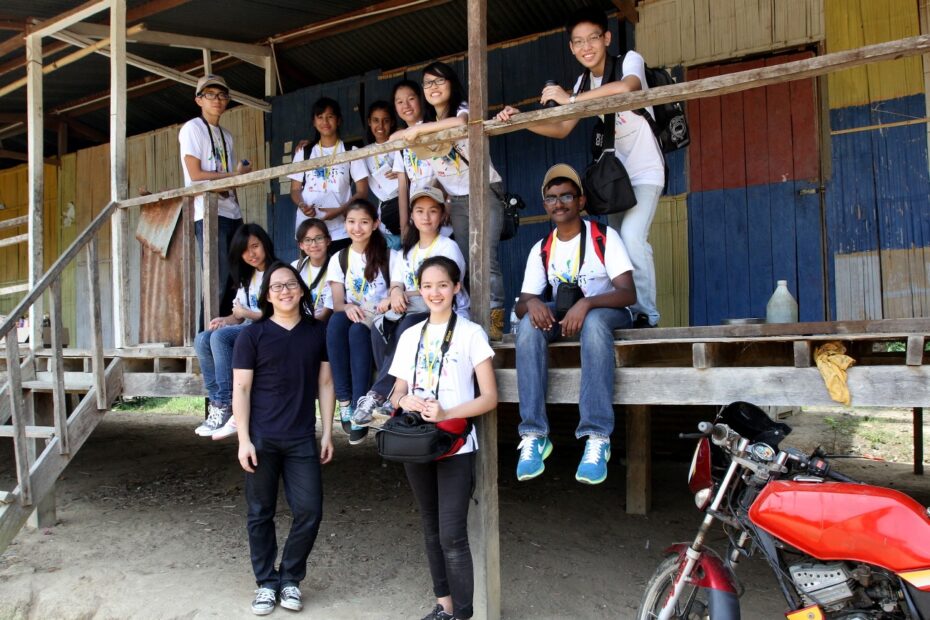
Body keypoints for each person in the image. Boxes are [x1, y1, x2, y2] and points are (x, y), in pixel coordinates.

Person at [495, 6, 664, 328]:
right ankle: (628, 312)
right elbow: (561, 128)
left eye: (593, 39)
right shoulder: (583, 81)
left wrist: (569, 99)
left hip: (645, 170)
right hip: (616, 177)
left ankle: (647, 315)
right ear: (572, 48)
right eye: (578, 42)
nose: (586, 47)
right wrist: (519, 122)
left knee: (631, 237)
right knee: (619, 242)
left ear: (607, 38)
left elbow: (627, 88)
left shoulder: (629, 60)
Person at [387, 255, 497, 620]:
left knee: (452, 535)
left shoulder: (471, 334)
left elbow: (489, 397)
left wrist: (447, 412)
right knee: (431, 528)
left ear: (456, 288)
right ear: (419, 290)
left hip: (456, 443)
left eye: (443, 285)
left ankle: (462, 614)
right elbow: (394, 392)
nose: (435, 292)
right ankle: (444, 607)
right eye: (428, 286)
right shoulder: (409, 335)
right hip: (416, 442)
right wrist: (405, 399)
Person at [513, 164, 636, 485]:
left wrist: (589, 302)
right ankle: (534, 434)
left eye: (566, 195)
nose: (559, 203)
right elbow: (522, 302)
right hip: (567, 315)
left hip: (608, 313)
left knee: (594, 322)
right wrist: (534, 303)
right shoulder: (542, 248)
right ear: (545, 205)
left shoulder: (603, 236)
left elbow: (627, 293)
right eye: (551, 198)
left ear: (581, 201)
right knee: (527, 324)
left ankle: (597, 435)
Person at [231, 261, 334, 616]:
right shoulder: (251, 336)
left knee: (310, 511)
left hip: (302, 438)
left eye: (291, 285)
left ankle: (289, 578)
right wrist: (243, 439)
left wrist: (327, 431)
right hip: (262, 438)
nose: (285, 291)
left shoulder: (316, 333)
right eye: (276, 287)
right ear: (267, 295)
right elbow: (241, 388)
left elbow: (325, 383)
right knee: (260, 512)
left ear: (301, 290)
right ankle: (265, 583)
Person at [392, 62, 506, 339]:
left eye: (438, 81)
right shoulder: (426, 126)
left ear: (451, 84)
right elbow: (397, 140)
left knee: (486, 258)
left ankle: (495, 324)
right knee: (468, 259)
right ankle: (477, 319)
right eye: (427, 84)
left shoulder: (462, 107)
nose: (433, 88)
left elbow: (459, 124)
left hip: (484, 190)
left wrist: (418, 131)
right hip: (456, 200)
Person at [353, 186, 470, 426]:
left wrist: (401, 293)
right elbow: (396, 282)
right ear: (412, 217)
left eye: (432, 211)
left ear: (442, 215)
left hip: (442, 311)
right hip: (411, 309)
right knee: (378, 327)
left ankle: (379, 394)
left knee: (406, 327)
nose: (426, 217)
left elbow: (442, 287)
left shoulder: (447, 247)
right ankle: (392, 391)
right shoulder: (409, 251)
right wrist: (395, 292)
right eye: (419, 211)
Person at [178, 74, 253, 322]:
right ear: (198, 100)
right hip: (207, 213)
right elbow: (195, 174)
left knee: (237, 278)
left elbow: (228, 181)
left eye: (222, 95)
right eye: (210, 94)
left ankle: (226, 330)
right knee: (216, 279)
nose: (217, 100)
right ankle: (205, 338)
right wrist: (234, 175)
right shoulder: (192, 128)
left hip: (231, 211)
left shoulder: (226, 136)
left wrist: (238, 210)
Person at [326, 199, 398, 445]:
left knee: (357, 332)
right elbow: (337, 303)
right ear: (345, 224)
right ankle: (344, 402)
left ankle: (359, 408)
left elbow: (397, 289)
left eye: (364, 222)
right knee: (336, 324)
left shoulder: (388, 253)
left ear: (375, 223)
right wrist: (347, 307)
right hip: (354, 313)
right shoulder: (340, 257)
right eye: (351, 222)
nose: (357, 228)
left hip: (381, 316)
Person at [194, 223, 275, 439]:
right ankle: (217, 404)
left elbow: (279, 314)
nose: (251, 254)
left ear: (264, 244)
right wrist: (224, 319)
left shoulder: (277, 272)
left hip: (270, 329)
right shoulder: (247, 278)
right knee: (202, 339)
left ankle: (228, 401)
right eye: (245, 251)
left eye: (255, 246)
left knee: (220, 338)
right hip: (249, 327)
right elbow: (237, 315)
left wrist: (245, 314)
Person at [288, 97, 369, 254]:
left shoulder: (350, 151)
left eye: (330, 116)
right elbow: (295, 190)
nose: (325, 121)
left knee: (341, 274)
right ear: (314, 121)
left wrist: (339, 211)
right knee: (313, 276)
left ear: (338, 120)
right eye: (320, 117)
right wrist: (302, 206)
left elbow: (362, 191)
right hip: (310, 230)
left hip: (340, 230)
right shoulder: (304, 152)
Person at [391, 79, 438, 237]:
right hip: (418, 216)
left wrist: (449, 205)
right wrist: (404, 226)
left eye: (411, 99)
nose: (406, 105)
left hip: (439, 211)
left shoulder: (434, 128)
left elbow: (449, 170)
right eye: (399, 101)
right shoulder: (401, 141)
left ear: (421, 99)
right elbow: (403, 186)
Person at [361, 100, 402, 235]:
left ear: (392, 122)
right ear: (369, 122)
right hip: (386, 209)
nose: (380, 125)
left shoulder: (401, 144)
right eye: (376, 120)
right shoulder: (363, 152)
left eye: (385, 120)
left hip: (407, 201)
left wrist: (403, 173)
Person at [291, 218, 333, 323]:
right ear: (301, 245)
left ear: (328, 240)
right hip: (297, 323)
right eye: (308, 240)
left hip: (322, 325)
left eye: (319, 238)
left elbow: (325, 315)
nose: (314, 245)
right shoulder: (296, 267)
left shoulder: (336, 267)